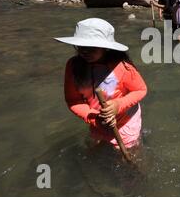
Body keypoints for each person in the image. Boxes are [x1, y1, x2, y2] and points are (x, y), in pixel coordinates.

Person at [54, 18, 148, 150]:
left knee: (129, 153)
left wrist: (118, 105)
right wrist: (93, 118)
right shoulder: (73, 66)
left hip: (125, 120)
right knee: (95, 150)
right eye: (81, 47)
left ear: (106, 48)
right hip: (97, 119)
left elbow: (140, 90)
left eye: (91, 48)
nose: (85, 52)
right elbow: (73, 100)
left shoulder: (121, 66)